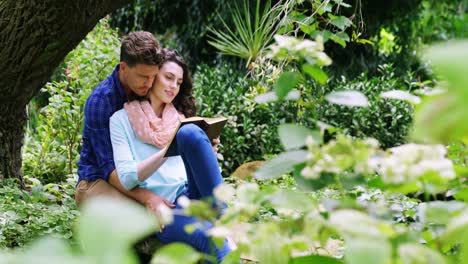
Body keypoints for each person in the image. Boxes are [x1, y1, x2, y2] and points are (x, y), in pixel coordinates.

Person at [109, 48, 231, 263]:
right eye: (168, 78)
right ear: (154, 76)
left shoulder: (180, 119)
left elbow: (197, 175)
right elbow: (127, 178)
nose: (174, 86)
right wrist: (167, 151)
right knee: (215, 240)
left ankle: (226, 218)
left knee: (191, 133)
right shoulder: (120, 120)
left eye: (178, 82)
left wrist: (208, 152)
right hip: (167, 209)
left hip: (192, 194)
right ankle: (227, 227)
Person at [76, 31, 175, 214]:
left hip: (139, 176)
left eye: (153, 76)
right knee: (135, 218)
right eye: (143, 77)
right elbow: (108, 169)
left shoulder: (149, 90)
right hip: (99, 181)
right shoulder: (101, 102)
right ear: (123, 68)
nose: (149, 83)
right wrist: (148, 198)